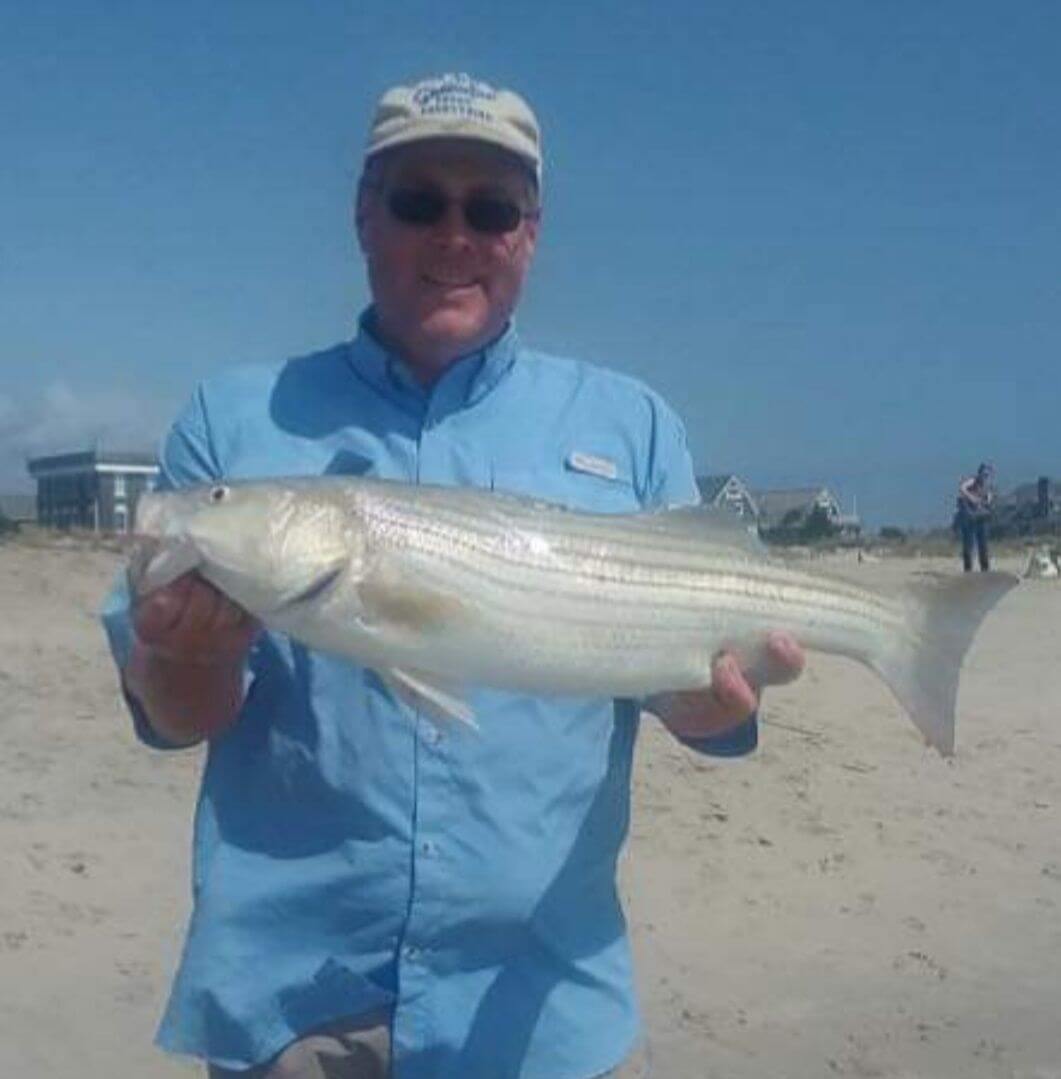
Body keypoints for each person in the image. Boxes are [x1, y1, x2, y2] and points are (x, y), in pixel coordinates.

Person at [103, 73, 805, 1079]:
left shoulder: (632, 422)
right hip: (295, 1002)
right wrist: (182, 656)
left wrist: (708, 707)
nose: (454, 236)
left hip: (540, 1004)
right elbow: (173, 716)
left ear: (529, 232)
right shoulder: (234, 420)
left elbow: (706, 711)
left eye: (490, 208)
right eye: (418, 201)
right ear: (362, 213)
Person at [956, 462, 994, 572]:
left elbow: (988, 500)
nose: (986, 477)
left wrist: (988, 500)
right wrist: (971, 497)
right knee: (968, 546)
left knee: (983, 545)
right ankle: (968, 570)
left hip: (981, 517)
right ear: (980, 473)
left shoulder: (988, 486)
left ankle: (985, 569)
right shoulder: (973, 481)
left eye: (988, 475)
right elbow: (962, 488)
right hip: (969, 517)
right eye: (984, 474)